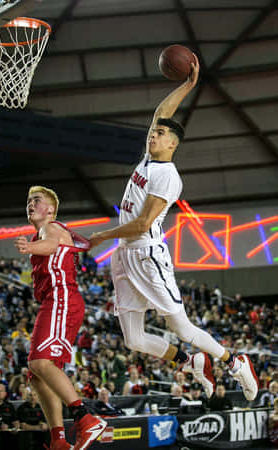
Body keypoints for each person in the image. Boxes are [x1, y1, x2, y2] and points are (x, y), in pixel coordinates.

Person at [90, 54, 258, 403]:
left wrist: (101, 237)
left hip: (148, 254)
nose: (154, 134)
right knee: (133, 340)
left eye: (161, 133)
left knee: (180, 327)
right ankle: (189, 360)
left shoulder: (167, 176)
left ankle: (233, 360)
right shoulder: (150, 158)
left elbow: (142, 223)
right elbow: (160, 113)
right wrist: (186, 85)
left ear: (173, 144)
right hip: (125, 256)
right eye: (153, 132)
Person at [14, 186, 107, 450]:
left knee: (39, 362)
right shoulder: (43, 232)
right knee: (38, 376)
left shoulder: (52, 228)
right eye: (28, 200)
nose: (30, 204)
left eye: (36, 200)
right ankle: (58, 440)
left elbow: (51, 244)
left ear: (51, 209)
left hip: (61, 298)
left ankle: (85, 418)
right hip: (57, 302)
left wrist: (30, 246)